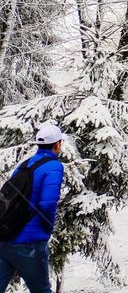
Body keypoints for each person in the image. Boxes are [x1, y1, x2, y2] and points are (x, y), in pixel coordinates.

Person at [0, 124, 66, 293]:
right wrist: (47, 229)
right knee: (42, 290)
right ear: (57, 144)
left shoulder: (24, 165)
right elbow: (47, 204)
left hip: (5, 237)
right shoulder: (54, 166)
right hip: (30, 241)